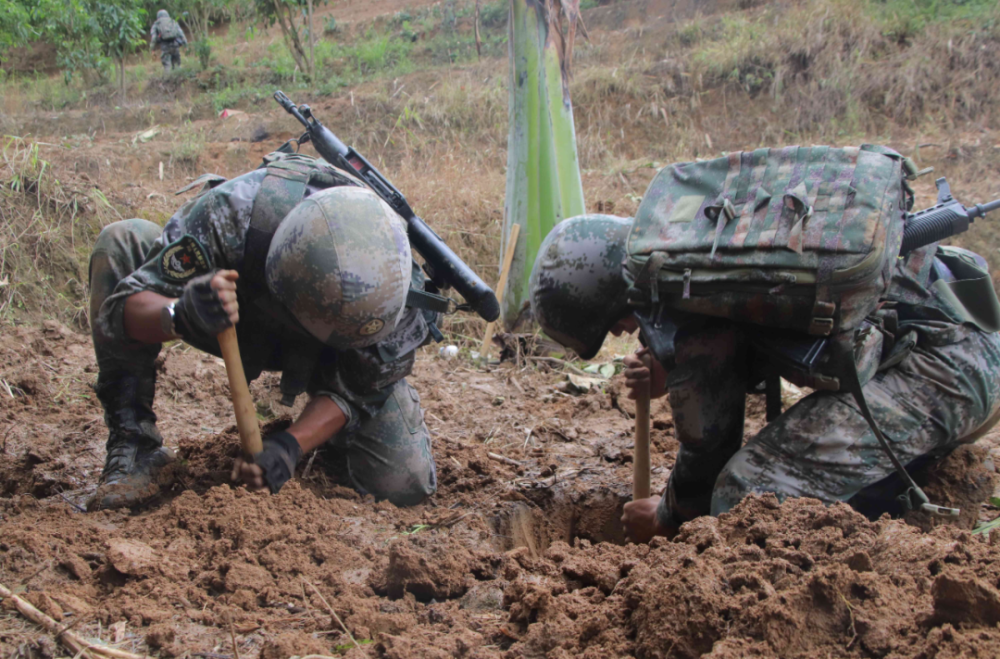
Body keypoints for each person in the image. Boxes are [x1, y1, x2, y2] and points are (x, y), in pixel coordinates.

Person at [529, 214, 1000, 542]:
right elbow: (761, 336)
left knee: (744, 497)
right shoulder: (693, 246)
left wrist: (667, 515)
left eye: (614, 322)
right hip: (964, 323)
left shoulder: (686, 300)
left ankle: (893, 515)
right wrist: (670, 369)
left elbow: (708, 447)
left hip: (949, 368)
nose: (620, 332)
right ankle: (903, 467)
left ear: (612, 294)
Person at [87, 152, 440, 511]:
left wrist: (290, 446)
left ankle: (334, 438)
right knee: (123, 240)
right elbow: (117, 316)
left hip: (333, 361)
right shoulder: (234, 215)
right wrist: (181, 313)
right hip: (232, 316)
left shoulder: (401, 289)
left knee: (405, 483)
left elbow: (362, 387)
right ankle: (134, 445)